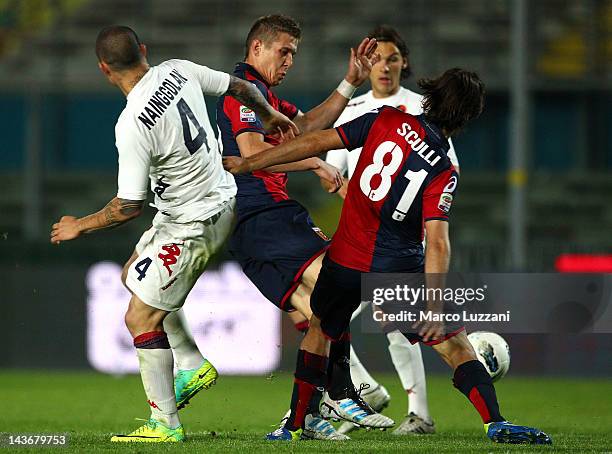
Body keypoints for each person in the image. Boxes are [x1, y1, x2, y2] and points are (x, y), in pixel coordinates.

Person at [223, 68, 552, 445]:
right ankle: (494, 421)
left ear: (429, 95)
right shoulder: (443, 171)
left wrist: (252, 163)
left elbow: (315, 143)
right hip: (395, 270)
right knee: (455, 345)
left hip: (344, 260)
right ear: (467, 118)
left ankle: (295, 425)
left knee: (320, 329)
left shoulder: (385, 119)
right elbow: (439, 242)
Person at [50, 25, 297, 443]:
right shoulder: (179, 70)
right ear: (144, 51)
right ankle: (190, 364)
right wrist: (269, 113)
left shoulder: (131, 124)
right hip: (211, 200)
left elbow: (128, 206)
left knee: (139, 317)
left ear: (104, 69)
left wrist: (81, 225)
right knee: (132, 274)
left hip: (194, 221)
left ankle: (165, 425)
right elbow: (239, 86)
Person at [216, 14, 393, 440]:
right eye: (284, 50)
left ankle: (307, 414)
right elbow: (254, 151)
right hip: (265, 213)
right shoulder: (242, 94)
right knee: (338, 283)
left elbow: (310, 125)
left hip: (252, 226)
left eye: (294, 52)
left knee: (317, 313)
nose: (290, 59)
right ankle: (341, 391)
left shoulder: (264, 96)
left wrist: (350, 82)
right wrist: (313, 161)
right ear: (257, 48)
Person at [327, 24, 459, 436]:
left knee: (394, 322)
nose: (384, 67)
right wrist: (348, 192)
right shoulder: (353, 109)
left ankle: (417, 412)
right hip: (357, 233)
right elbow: (334, 171)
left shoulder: (424, 107)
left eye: (393, 59)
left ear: (404, 64)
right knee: (333, 316)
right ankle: (361, 392)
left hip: (401, 239)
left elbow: (446, 171)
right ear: (365, 66)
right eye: (377, 59)